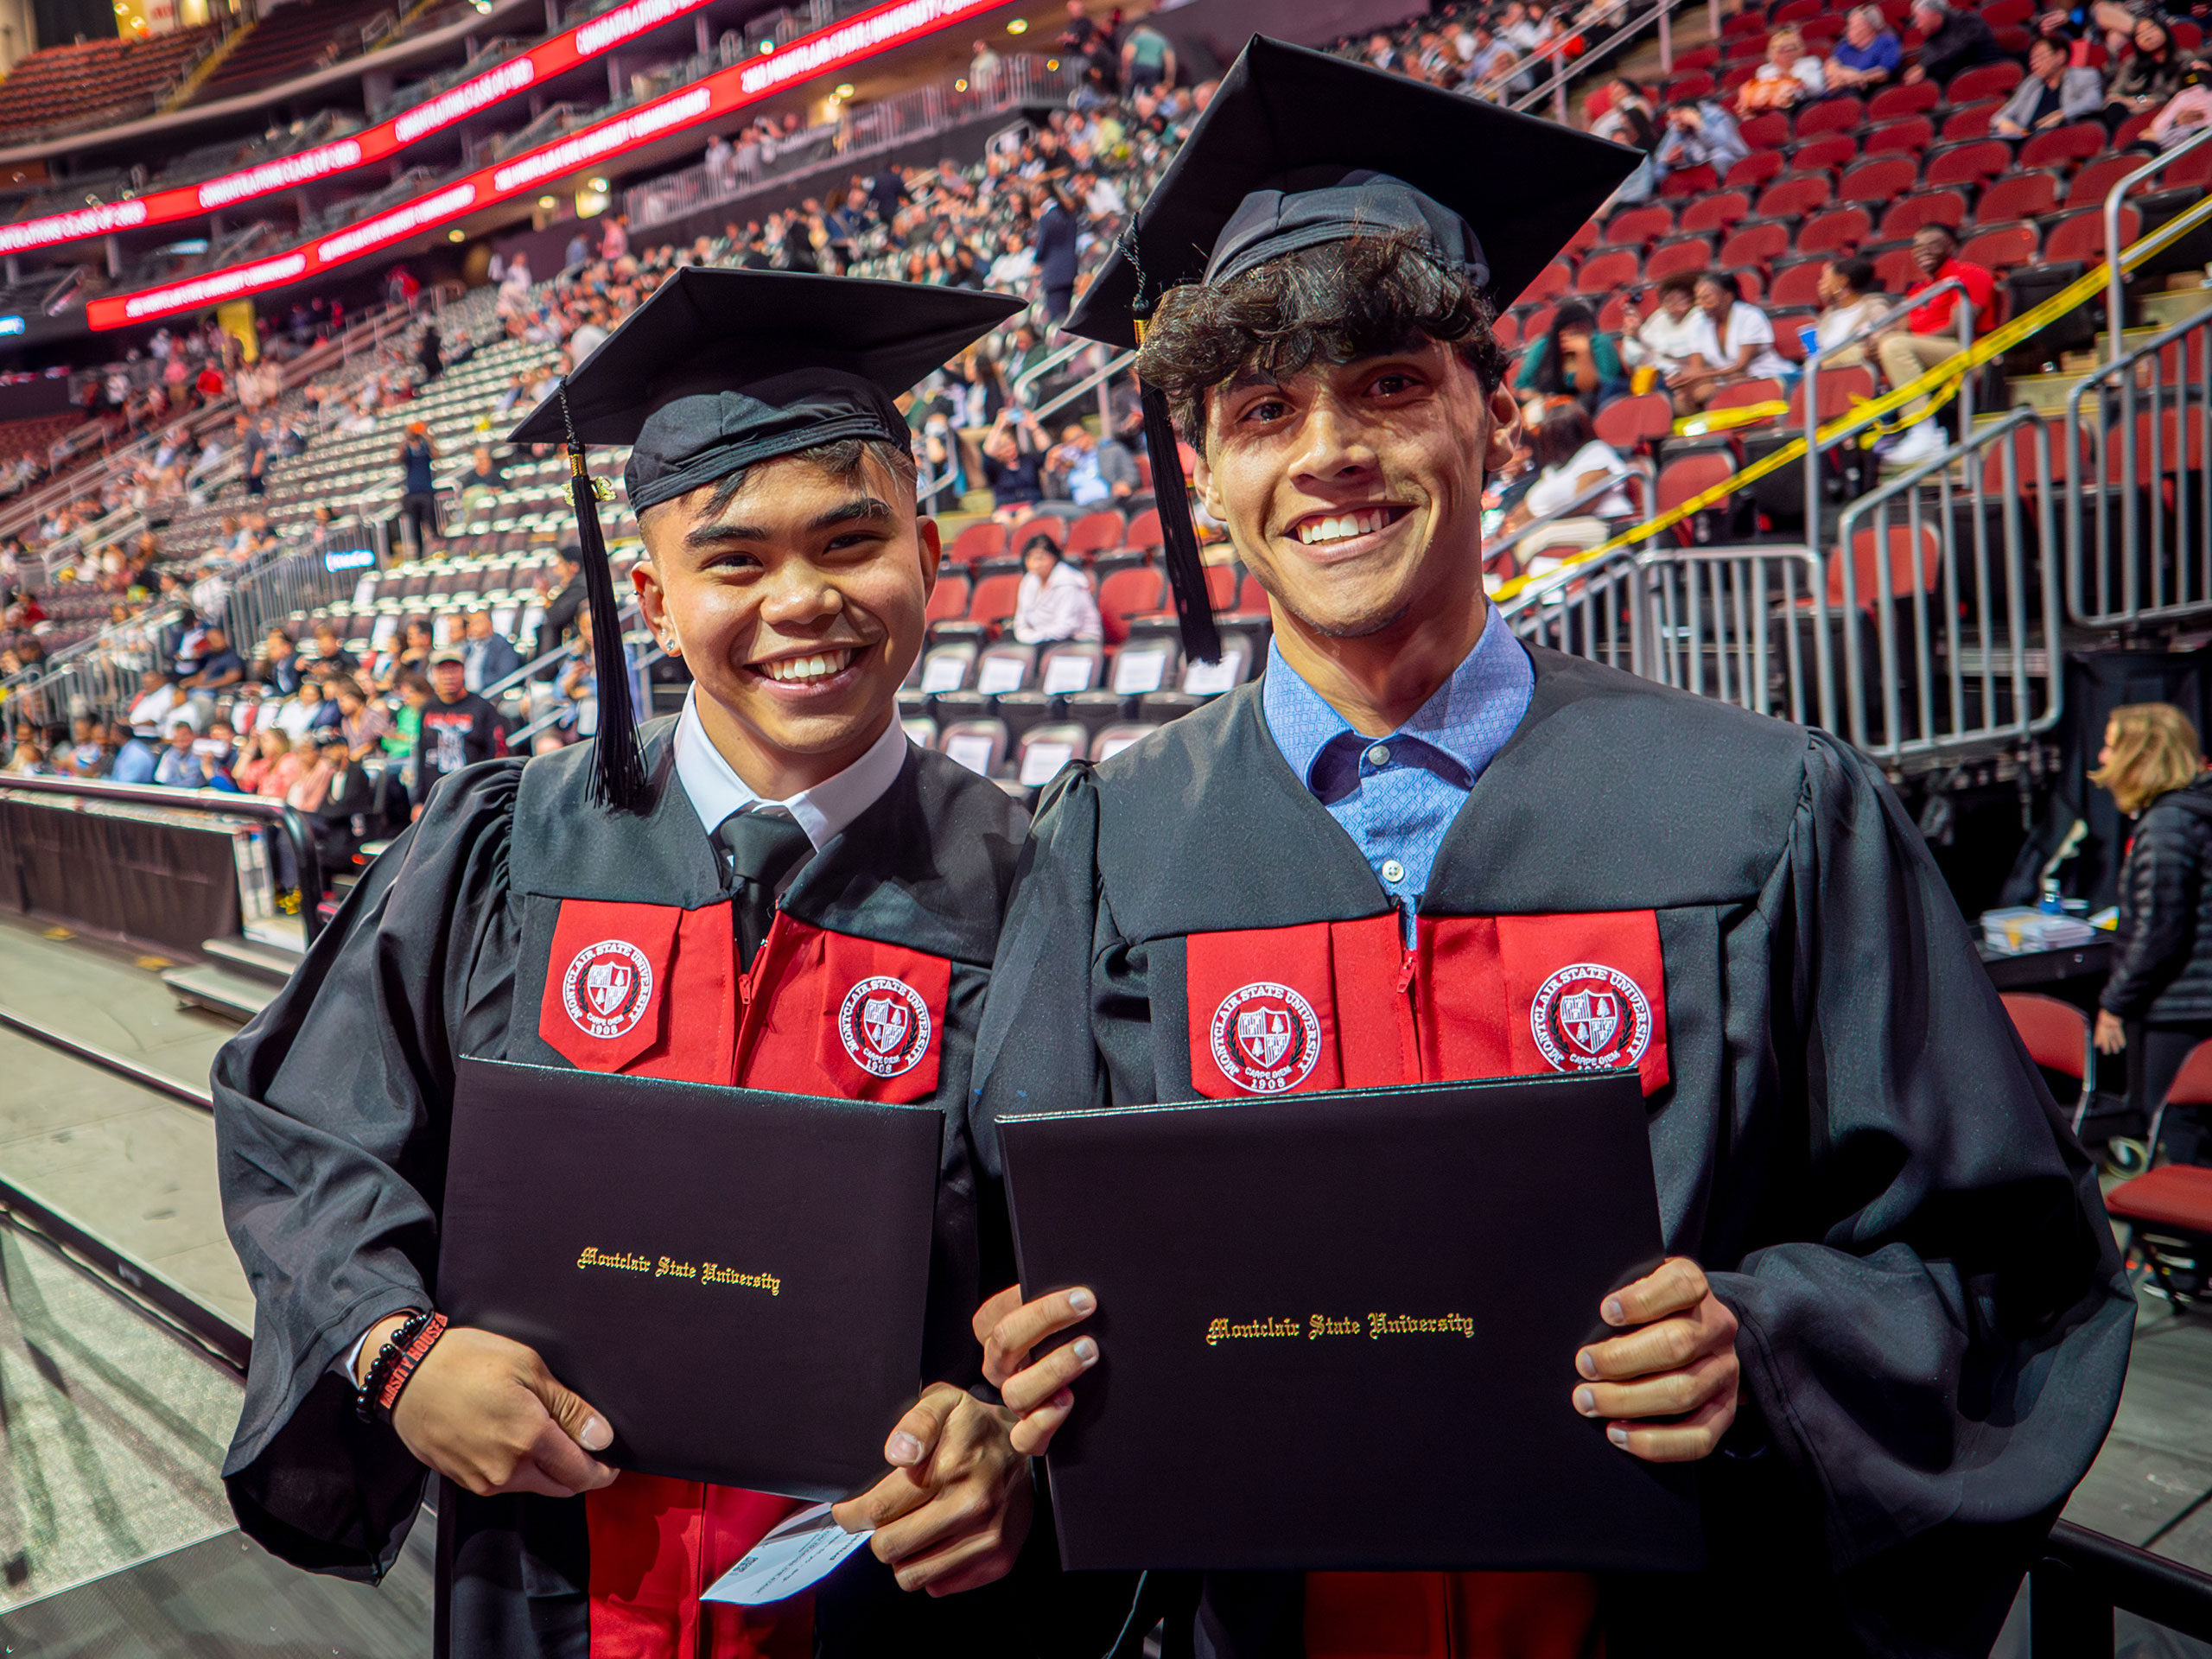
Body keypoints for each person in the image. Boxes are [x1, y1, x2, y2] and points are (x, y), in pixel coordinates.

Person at [975, 35, 2132, 1659]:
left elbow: (2001, 1267)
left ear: (1493, 419)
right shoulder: (1111, 846)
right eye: (1262, 409)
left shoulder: (1767, 811)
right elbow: (1010, 1260)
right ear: (1212, 478)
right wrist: (1017, 1372)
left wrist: (1761, 1345)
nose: (1328, 453)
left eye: (1390, 382)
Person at [210, 267, 1051, 1659]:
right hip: (545, 1587)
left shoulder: (1030, 880)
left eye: (851, 543)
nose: (802, 600)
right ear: (653, 600)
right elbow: (305, 1125)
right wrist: (393, 1352)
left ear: (930, 557)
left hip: (890, 1605)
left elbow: (1084, 1266)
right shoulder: (503, 847)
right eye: (734, 561)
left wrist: (1005, 1439)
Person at [2094, 703, 2212, 1168]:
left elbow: (2159, 933)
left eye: (2110, 745)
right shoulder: (2190, 814)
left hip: (2183, 1010)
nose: (2102, 758)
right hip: (2195, 1002)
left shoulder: (2168, 825)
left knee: (2176, 1129)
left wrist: (2115, 1003)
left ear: (2140, 756)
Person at [1874, 223, 1996, 465]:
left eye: (1932, 245)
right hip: (1927, 354)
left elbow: (1960, 328)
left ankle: (1925, 433)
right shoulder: (1919, 290)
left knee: (1895, 346)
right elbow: (1901, 329)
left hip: (1968, 354)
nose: (1923, 252)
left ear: (1950, 246)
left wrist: (1905, 340)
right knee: (1878, 347)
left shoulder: (1969, 275)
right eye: (1917, 247)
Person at [1506, 402, 1637, 551]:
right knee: (1513, 544)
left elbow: (1584, 505)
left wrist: (1539, 522)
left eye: (1560, 435)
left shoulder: (1595, 452)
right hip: (1557, 527)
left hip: (1604, 523)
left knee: (1537, 539)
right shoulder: (1553, 468)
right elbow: (1528, 505)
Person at [1670, 271, 1789, 412]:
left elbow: (1741, 366)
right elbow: (1697, 368)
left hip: (1760, 375)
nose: (1700, 304)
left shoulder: (1750, 316)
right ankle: (1701, 431)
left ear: (1727, 297)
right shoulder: (1699, 323)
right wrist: (1682, 380)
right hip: (1724, 381)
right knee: (1683, 397)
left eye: (1707, 298)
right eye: (1698, 299)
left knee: (1735, 382)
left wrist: (1700, 375)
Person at [410, 647, 504, 818]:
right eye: (443, 671)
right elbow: (421, 755)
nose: (449, 676)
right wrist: (418, 801)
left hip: (472, 798)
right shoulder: (428, 708)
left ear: (463, 671)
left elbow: (498, 754)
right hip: (436, 798)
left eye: (454, 669)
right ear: (434, 674)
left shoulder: (483, 708)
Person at [1512, 301, 1627, 417]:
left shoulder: (1600, 342)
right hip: (1544, 402)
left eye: (1578, 331)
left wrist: (1583, 353)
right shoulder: (1543, 346)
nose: (1570, 338)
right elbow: (1522, 386)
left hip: (1597, 401)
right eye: (1568, 332)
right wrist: (1540, 398)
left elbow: (1591, 386)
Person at [1621, 272, 1716, 402]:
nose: (1674, 304)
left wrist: (1647, 342)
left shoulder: (1700, 315)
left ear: (1690, 299)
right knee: (1617, 389)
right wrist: (1635, 336)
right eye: (1669, 300)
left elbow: (1682, 352)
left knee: (1661, 389)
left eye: (1680, 299)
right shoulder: (1660, 317)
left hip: (1690, 375)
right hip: (1660, 374)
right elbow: (1635, 354)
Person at [1995, 33, 2107, 134]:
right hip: (2029, 138)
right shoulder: (2031, 83)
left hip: (2065, 136)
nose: (2034, 63)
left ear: (2060, 56)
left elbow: (2094, 101)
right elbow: (2002, 115)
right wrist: (2007, 125)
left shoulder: (2085, 76)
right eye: (2032, 59)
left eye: (2040, 57)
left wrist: (2061, 114)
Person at [1010, 534, 1103, 644]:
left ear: (1054, 557)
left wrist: (1036, 637)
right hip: (1042, 640)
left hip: (1079, 640)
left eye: (1040, 558)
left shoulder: (1068, 581)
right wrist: (1029, 638)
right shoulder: (1028, 581)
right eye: (1029, 557)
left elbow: (1066, 628)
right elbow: (1020, 622)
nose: (1034, 563)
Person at [2104, 13, 2186, 123]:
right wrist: (2118, 99)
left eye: (2151, 29)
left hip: (2164, 107)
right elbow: (2116, 90)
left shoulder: (2182, 58)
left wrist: (2134, 101)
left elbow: (2165, 95)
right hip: (2128, 108)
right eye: (2140, 35)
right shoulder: (2131, 63)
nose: (2147, 37)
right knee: (2113, 109)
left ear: (2163, 29)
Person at [1904, 0, 2002, 84]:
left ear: (1933, 14)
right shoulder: (1932, 33)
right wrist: (1921, 68)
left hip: (1989, 77)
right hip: (1960, 85)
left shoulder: (1967, 21)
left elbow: (1956, 50)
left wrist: (1924, 68)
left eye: (1918, 17)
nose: (1917, 25)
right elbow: (1928, 57)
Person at [1812, 255, 1887, 365]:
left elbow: (1873, 349)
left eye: (1825, 279)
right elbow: (1816, 354)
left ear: (1842, 281)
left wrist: (1824, 363)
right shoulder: (1826, 316)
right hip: (1824, 377)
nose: (1820, 284)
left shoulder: (1875, 309)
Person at [1737, 26, 1827, 113]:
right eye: (1781, 50)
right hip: (1776, 113)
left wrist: (1791, 82)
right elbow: (1763, 97)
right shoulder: (1764, 71)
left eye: (1792, 49)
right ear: (1772, 54)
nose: (1787, 54)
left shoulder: (1811, 62)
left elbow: (1817, 89)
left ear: (1801, 50)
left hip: (1807, 107)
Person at [1825, 5, 1902, 91]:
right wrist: (1840, 76)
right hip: (1838, 91)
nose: (1846, 30)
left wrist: (1860, 77)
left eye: (1852, 26)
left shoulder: (1887, 42)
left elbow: (1884, 73)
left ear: (1867, 27)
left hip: (1866, 93)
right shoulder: (1844, 45)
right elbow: (1830, 65)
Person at [397, 423, 441, 556]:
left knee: (431, 523)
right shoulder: (408, 451)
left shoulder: (425, 447)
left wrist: (425, 434)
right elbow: (398, 458)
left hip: (425, 491)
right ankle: (420, 555)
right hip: (412, 493)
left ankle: (437, 549)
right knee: (415, 528)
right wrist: (406, 437)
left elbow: (436, 454)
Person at [461, 608, 522, 693]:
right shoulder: (468, 648)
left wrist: (477, 682)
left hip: (490, 695)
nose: (471, 626)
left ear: (489, 623)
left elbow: (505, 677)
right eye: (469, 623)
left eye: (477, 622)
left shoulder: (502, 646)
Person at [1121, 20, 1176, 91]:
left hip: (1138, 66)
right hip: (1154, 68)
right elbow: (1170, 61)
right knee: (1150, 92)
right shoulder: (1161, 39)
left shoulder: (1136, 37)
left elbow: (1127, 55)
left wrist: (1126, 71)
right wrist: (1169, 79)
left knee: (1130, 90)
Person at [155, 718, 207, 787]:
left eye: (184, 735)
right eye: (177, 737)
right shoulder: (169, 755)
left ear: (193, 736)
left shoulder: (203, 754)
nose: (181, 739)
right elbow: (161, 779)